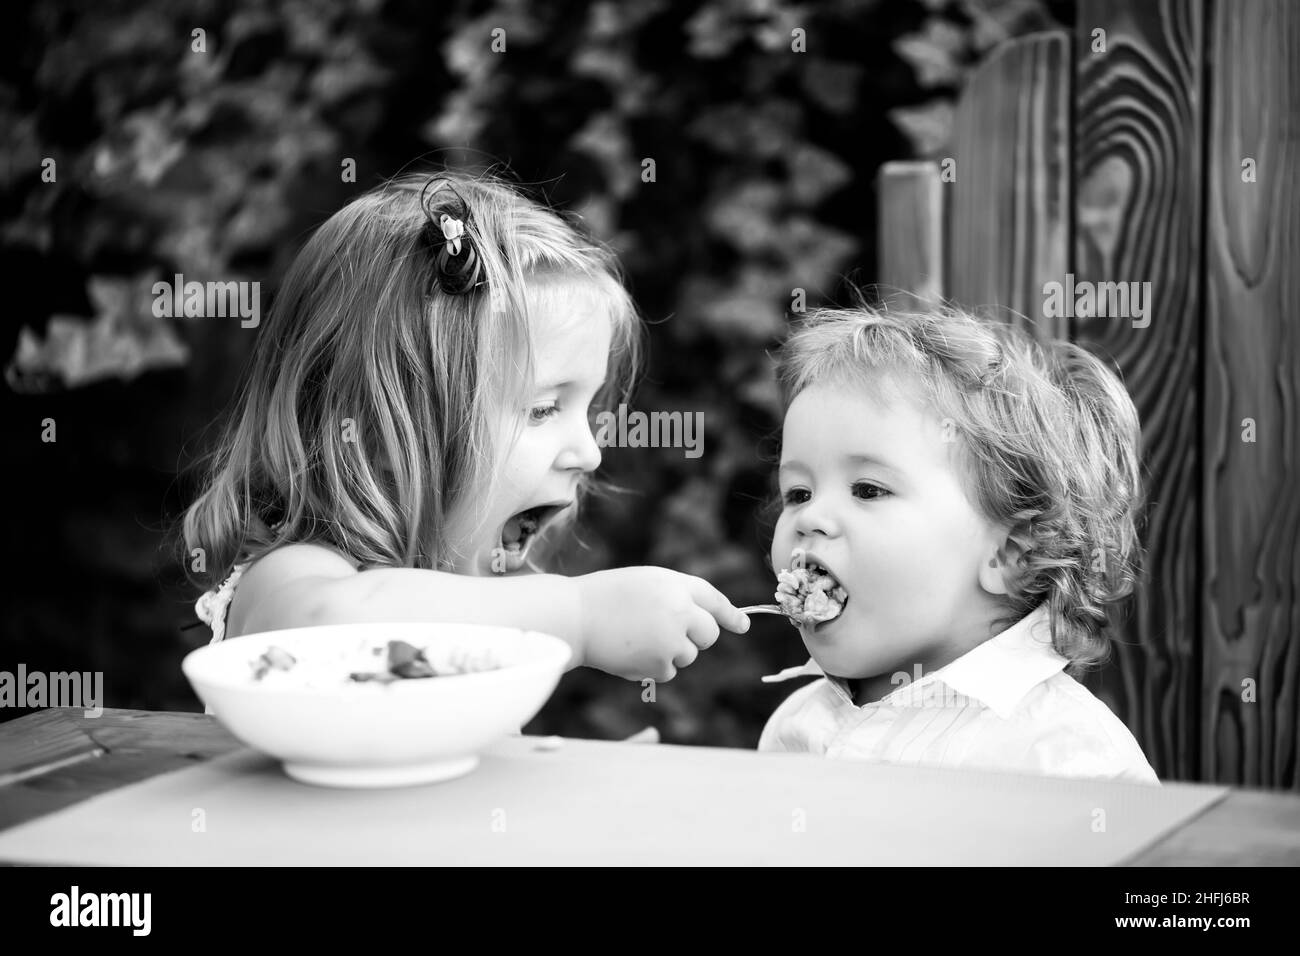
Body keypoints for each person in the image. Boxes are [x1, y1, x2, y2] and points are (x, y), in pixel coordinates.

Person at [182, 171, 749, 685]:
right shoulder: (293, 578)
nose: (590, 453)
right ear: (380, 436)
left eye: (591, 409)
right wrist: (577, 617)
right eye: (544, 410)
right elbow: (329, 630)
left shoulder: (479, 602)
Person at [759, 300, 1159, 783]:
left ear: (1009, 553)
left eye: (867, 489)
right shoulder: (794, 728)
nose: (811, 518)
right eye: (797, 493)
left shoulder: (1061, 759)